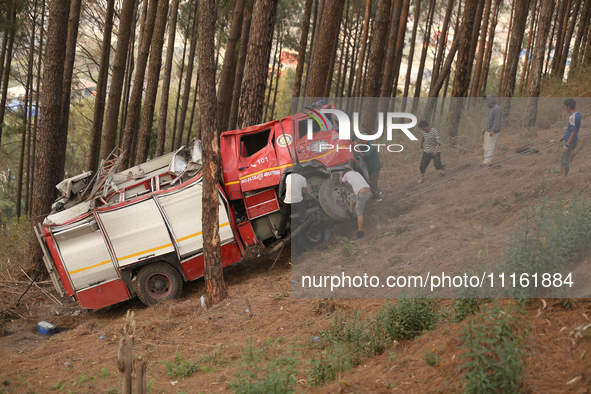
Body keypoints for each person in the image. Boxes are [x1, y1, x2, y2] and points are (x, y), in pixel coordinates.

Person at [274, 164, 307, 238]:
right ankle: (302, 217)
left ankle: (280, 234)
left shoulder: (288, 177)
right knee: (304, 201)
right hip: (298, 202)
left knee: (284, 217)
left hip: (288, 202)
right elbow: (304, 192)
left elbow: (286, 187)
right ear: (300, 171)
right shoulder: (303, 178)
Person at [340, 164, 372, 240]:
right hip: (368, 192)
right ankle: (351, 212)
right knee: (352, 196)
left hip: (362, 194)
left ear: (345, 172)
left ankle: (361, 232)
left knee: (359, 214)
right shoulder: (356, 173)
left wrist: (340, 174)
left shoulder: (346, 175)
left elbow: (341, 182)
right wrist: (349, 167)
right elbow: (351, 170)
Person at [560, 98, 581, 177]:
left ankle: (564, 178)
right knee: (562, 158)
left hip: (570, 141)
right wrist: (564, 137)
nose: (565, 108)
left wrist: (567, 145)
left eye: (565, 107)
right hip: (568, 138)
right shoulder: (577, 114)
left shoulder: (573, 118)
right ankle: (561, 176)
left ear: (568, 107)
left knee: (565, 160)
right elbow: (570, 131)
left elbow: (573, 133)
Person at [480, 94, 502, 166]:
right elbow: (488, 120)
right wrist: (484, 128)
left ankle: (487, 162)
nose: (486, 103)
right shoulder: (491, 108)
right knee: (485, 146)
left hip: (492, 132)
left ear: (491, 101)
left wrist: (493, 130)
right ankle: (486, 160)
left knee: (489, 146)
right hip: (487, 130)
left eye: (487, 102)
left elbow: (497, 121)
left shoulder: (497, 109)